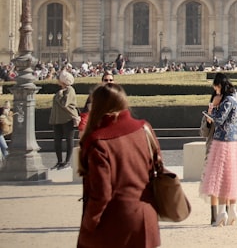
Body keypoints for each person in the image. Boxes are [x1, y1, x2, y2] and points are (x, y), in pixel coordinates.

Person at [76, 83, 161, 247]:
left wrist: (88, 224)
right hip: (146, 217)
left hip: (113, 223)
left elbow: (102, 193)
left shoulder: (98, 141)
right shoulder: (145, 128)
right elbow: (157, 167)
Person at [199, 72, 237, 227]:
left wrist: (210, 112)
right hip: (236, 140)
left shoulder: (227, 101)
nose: (216, 92)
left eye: (217, 88)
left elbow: (219, 120)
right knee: (233, 177)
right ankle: (233, 210)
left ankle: (221, 214)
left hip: (222, 141)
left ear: (220, 86)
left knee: (220, 178)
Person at [49, 69, 80, 170]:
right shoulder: (61, 90)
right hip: (57, 120)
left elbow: (64, 103)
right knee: (57, 141)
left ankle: (67, 161)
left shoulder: (70, 90)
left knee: (69, 140)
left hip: (67, 119)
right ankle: (59, 161)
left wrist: (60, 94)